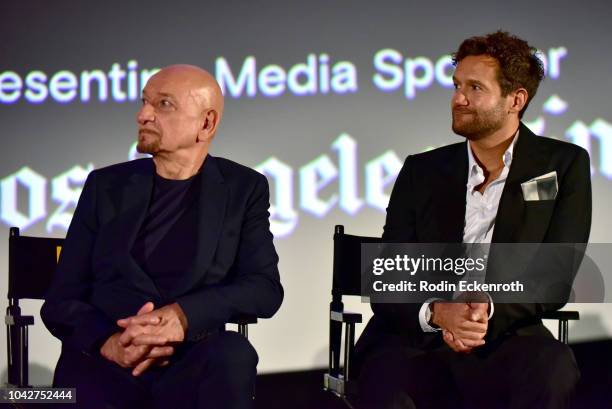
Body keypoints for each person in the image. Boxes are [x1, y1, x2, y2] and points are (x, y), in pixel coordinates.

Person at [355, 31, 591, 409]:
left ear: (516, 99)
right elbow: (390, 274)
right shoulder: (422, 171)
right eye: (456, 85)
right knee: (387, 381)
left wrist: (487, 310)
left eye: (474, 88)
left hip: (506, 332)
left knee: (553, 369)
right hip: (418, 339)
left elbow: (555, 274)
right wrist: (436, 312)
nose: (458, 98)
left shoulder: (563, 165)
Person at [41, 64, 284, 409]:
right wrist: (108, 342)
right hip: (105, 363)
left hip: (189, 361)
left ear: (206, 124)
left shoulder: (243, 189)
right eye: (144, 102)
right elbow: (61, 300)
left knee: (234, 353)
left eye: (163, 104)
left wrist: (184, 316)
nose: (143, 115)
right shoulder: (105, 186)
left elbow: (264, 289)